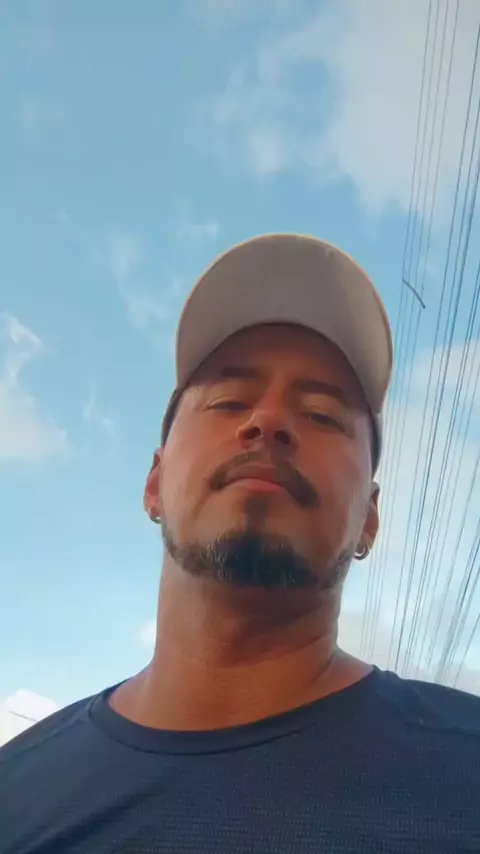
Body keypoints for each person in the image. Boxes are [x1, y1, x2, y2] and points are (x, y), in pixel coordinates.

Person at [1, 234, 479, 853]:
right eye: (229, 401)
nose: (269, 421)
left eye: (323, 415)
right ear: (154, 482)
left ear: (370, 517)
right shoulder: (17, 791)